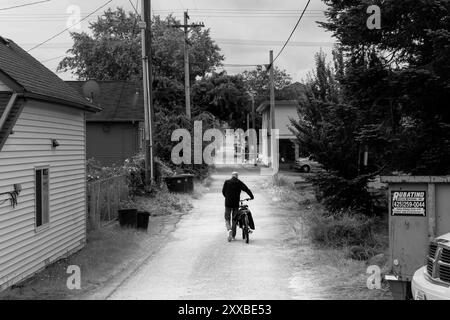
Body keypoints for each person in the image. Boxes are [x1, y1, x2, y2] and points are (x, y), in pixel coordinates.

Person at [222, 172, 254, 242]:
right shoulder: (239, 182)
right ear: (237, 176)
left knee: (227, 218)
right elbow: (246, 189)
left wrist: (227, 197)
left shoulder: (227, 182)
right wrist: (251, 196)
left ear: (232, 176)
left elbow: (223, 192)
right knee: (234, 219)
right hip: (236, 204)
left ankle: (229, 229)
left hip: (228, 203)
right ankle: (233, 236)